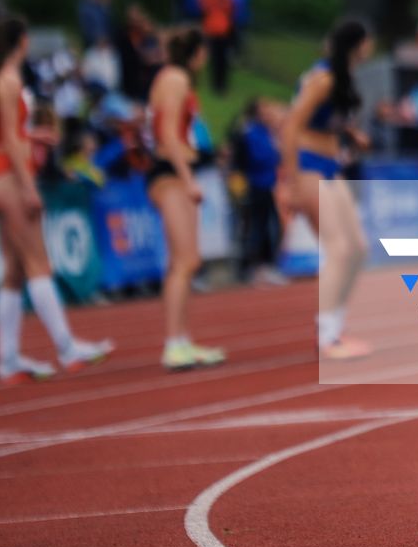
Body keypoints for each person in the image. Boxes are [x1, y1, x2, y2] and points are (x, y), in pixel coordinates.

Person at [0, 16, 114, 382]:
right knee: (38, 262)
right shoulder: (9, 80)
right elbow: (9, 139)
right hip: (9, 177)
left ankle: (7, 356)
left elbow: (9, 134)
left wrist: (32, 137)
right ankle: (66, 346)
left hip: (3, 175)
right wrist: (28, 185)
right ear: (22, 41)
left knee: (15, 270)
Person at [278, 19, 376, 360]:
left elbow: (325, 119)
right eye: (368, 41)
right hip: (309, 166)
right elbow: (291, 125)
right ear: (358, 44)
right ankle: (327, 335)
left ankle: (334, 324)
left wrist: (350, 135)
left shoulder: (340, 77)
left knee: (358, 249)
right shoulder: (324, 78)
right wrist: (290, 181)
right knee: (339, 249)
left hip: (331, 166)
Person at [144, 28, 226, 370]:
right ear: (196, 53)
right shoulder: (175, 78)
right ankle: (173, 343)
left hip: (173, 171)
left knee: (186, 261)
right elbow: (167, 134)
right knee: (184, 261)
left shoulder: (173, 78)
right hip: (171, 174)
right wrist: (188, 178)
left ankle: (181, 340)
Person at [234, 98, 286, 284]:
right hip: (256, 186)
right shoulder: (251, 132)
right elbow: (261, 157)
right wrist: (277, 152)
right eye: (265, 110)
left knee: (271, 225)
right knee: (257, 227)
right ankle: (253, 267)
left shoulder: (266, 131)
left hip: (270, 185)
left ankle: (266, 264)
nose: (268, 113)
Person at [199, 0, 236, 96]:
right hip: (212, 31)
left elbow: (231, 8)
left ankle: (223, 85)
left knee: (224, 59)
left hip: (225, 31)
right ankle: (216, 85)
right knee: (215, 59)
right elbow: (204, 5)